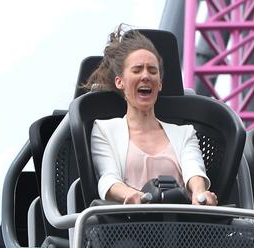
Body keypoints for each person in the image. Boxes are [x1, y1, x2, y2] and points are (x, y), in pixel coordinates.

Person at [85, 25, 217, 206]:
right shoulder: (104, 130)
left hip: (180, 227)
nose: (146, 76)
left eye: (152, 71)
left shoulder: (185, 133)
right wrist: (134, 196)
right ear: (120, 81)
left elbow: (194, 170)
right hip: (127, 226)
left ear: (160, 83)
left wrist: (200, 193)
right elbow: (108, 180)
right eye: (137, 70)